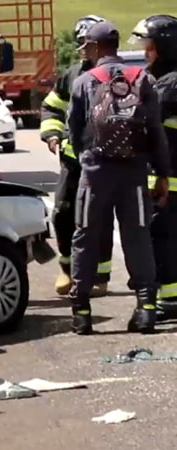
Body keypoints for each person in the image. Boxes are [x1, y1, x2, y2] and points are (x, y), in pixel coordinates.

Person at [66, 21, 173, 335]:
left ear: (97, 48)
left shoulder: (84, 81)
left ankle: (82, 313)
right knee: (137, 238)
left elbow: (74, 131)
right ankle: (146, 311)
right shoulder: (143, 78)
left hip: (96, 174)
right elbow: (156, 132)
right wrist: (162, 174)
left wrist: (87, 159)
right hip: (134, 175)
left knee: (85, 237)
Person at [40, 15, 113, 298]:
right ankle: (67, 269)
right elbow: (51, 107)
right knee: (62, 213)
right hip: (72, 163)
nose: (82, 49)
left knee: (101, 217)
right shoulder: (71, 75)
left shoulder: (114, 74)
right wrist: (52, 133)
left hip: (104, 162)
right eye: (81, 43)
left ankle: (101, 276)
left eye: (86, 44)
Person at [129, 15, 177, 320]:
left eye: (150, 46)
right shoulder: (163, 80)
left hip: (168, 182)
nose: (146, 52)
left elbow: (143, 121)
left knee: (163, 237)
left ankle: (169, 300)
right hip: (165, 178)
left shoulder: (168, 86)